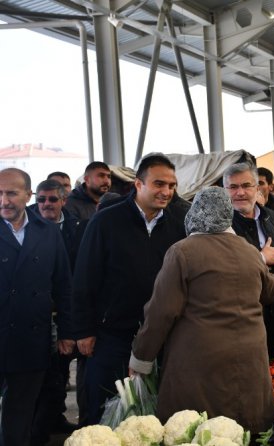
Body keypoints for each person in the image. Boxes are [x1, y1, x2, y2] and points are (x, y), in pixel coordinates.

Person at [129, 187, 274, 433]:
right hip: (249, 359)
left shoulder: (182, 252)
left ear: (194, 213)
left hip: (200, 363)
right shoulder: (249, 251)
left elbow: (161, 311)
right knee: (244, 431)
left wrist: (141, 358)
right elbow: (272, 292)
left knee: (202, 432)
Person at [72, 154, 186, 425]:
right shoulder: (105, 222)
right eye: (159, 184)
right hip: (111, 335)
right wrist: (83, 331)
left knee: (154, 416)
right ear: (138, 184)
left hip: (162, 336)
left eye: (171, 185)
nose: (166, 191)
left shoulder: (179, 224)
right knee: (104, 411)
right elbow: (85, 278)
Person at [0, 168, 74, 446]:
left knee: (20, 417)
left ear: (27, 195)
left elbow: (64, 286)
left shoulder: (48, 232)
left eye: (11, 193)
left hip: (31, 339)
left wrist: (67, 331)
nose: (3, 200)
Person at [225, 163, 274, 357]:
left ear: (257, 188)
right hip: (246, 318)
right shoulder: (223, 224)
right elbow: (224, 270)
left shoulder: (270, 217)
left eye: (246, 185)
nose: (240, 192)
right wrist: (261, 257)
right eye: (233, 187)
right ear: (224, 190)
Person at [31, 180, 81, 444]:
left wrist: (69, 327)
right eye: (41, 200)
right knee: (39, 379)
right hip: (34, 317)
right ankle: (36, 432)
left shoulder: (76, 227)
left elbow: (71, 278)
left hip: (64, 312)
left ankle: (54, 418)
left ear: (64, 200)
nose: (46, 205)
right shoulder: (24, 225)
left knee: (60, 374)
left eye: (52, 199)